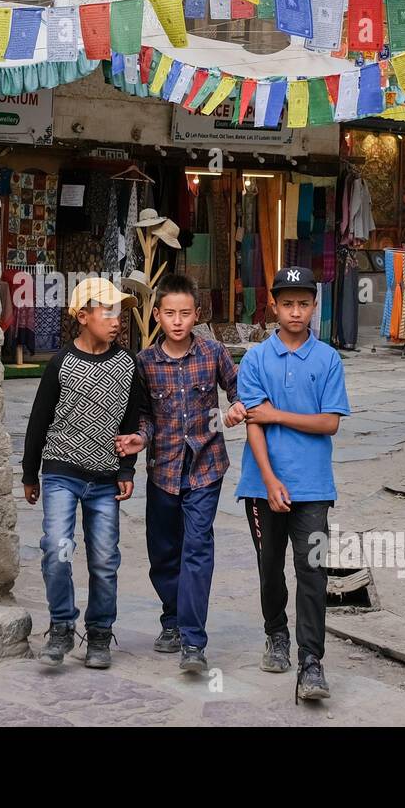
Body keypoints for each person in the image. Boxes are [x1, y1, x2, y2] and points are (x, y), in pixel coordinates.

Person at [116, 274, 246, 674]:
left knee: (197, 550)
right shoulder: (144, 364)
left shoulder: (213, 352)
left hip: (206, 466)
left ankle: (193, 640)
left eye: (184, 314)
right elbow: (142, 416)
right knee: (163, 554)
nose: (177, 321)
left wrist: (239, 407)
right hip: (163, 469)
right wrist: (140, 438)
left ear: (197, 315)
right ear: (157, 315)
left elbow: (238, 386)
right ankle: (171, 617)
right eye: (169, 313)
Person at [22, 278, 151, 670]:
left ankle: (98, 633)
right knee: (57, 548)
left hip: (105, 479)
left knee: (104, 559)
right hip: (62, 473)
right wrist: (30, 474)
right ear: (82, 316)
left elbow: (130, 420)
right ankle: (61, 624)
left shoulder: (127, 363)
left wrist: (127, 468)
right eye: (108, 312)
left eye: (121, 313)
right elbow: (39, 420)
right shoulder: (61, 363)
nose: (117, 321)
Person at [236, 266, 350, 702]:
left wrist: (277, 413)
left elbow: (329, 423)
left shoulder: (328, 359)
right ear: (274, 306)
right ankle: (276, 634)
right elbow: (252, 425)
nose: (296, 311)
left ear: (313, 306)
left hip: (315, 487)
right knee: (270, 569)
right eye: (288, 304)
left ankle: (312, 661)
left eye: (303, 303)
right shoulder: (256, 360)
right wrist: (268, 479)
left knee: (313, 573)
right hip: (261, 484)